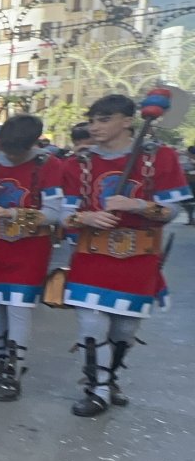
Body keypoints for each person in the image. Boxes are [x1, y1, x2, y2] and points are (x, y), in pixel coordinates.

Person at [61, 94, 190, 417]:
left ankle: (111, 377)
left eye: (104, 120)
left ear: (128, 121)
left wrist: (139, 205)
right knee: (91, 323)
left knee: (124, 332)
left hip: (138, 258)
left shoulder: (159, 157)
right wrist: (87, 217)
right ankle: (98, 389)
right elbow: (64, 215)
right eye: (92, 120)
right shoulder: (78, 163)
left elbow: (173, 211)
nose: (95, 127)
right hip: (91, 255)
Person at [0, 114, 68, 401]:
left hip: (30, 247)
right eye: (7, 149)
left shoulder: (49, 164)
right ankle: (0, 358)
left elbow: (53, 214)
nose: (11, 156)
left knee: (18, 307)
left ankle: (14, 370)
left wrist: (10, 213)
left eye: (17, 151)